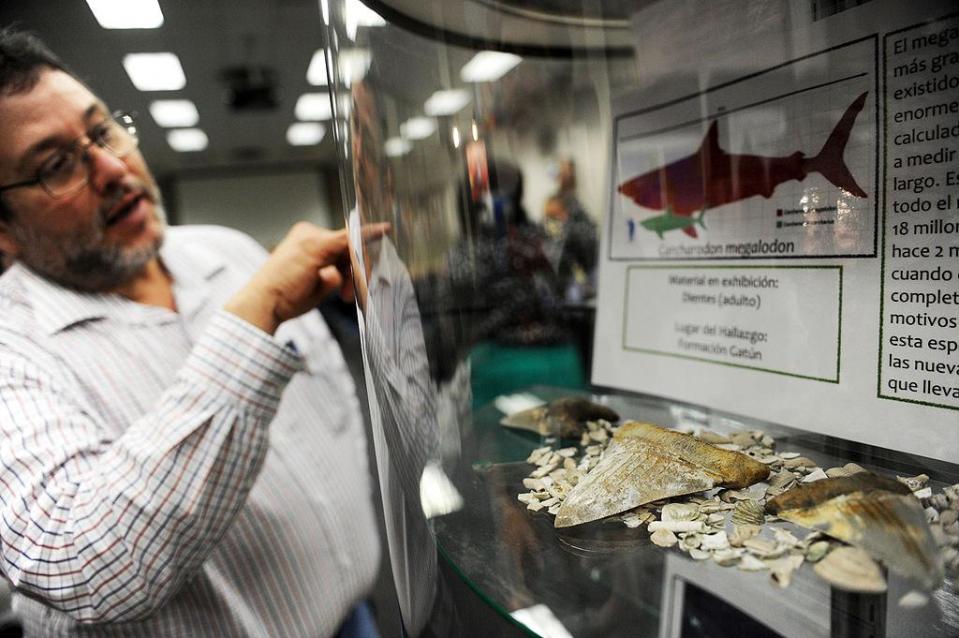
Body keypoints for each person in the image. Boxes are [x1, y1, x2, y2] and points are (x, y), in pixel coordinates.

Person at [0, 28, 384, 636]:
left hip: (360, 618)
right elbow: (91, 568)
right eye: (55, 166)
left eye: (102, 132)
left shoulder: (225, 250)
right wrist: (255, 316)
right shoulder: (12, 354)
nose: (111, 167)